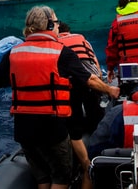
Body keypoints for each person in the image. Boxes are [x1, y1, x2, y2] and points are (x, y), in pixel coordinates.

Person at [0, 6, 120, 189]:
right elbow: (89, 80)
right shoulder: (61, 52)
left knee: (43, 179)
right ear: (49, 26)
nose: (58, 27)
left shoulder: (14, 53)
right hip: (52, 130)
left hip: (23, 131)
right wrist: (110, 90)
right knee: (61, 179)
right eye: (56, 23)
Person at [57, 22, 104, 189]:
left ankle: (84, 161)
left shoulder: (55, 44)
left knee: (73, 125)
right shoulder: (83, 40)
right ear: (69, 31)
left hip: (71, 85)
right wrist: (101, 83)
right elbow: (95, 64)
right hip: (91, 81)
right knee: (96, 119)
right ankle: (96, 151)